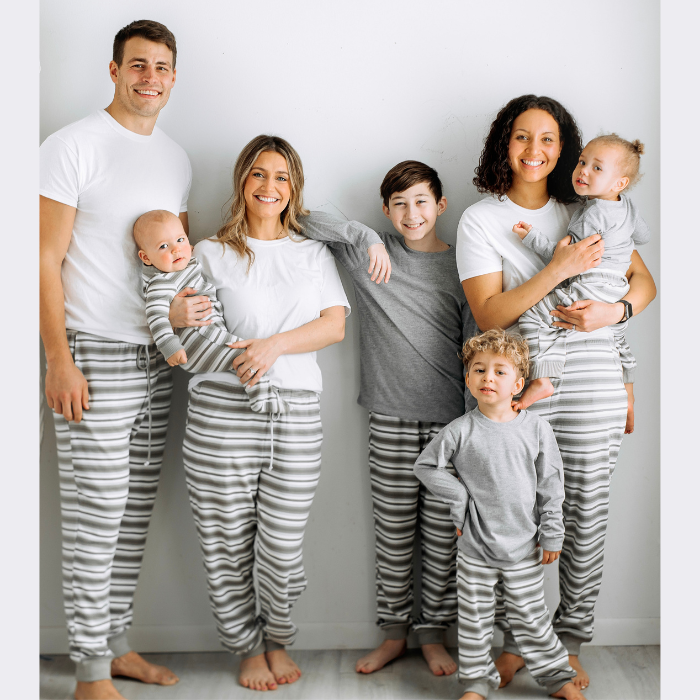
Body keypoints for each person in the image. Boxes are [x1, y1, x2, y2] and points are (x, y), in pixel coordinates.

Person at [169, 134, 389, 692]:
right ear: (243, 180)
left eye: (282, 178)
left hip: (294, 414)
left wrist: (271, 347)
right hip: (221, 413)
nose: (270, 187)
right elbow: (190, 335)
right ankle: (246, 646)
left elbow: (333, 326)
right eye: (259, 174)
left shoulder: (312, 252)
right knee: (225, 540)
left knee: (281, 544)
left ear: (294, 190)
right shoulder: (207, 253)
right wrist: (239, 352)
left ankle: (278, 637)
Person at [456, 95, 657, 691]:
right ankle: (519, 640)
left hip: (594, 376)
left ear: (566, 147)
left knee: (585, 513)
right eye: (522, 137)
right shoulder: (480, 219)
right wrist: (557, 272)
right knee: (515, 515)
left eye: (548, 139)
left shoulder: (590, 205)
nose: (535, 151)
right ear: (504, 144)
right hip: (519, 385)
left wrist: (613, 313)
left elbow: (643, 283)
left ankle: (567, 640)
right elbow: (489, 313)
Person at [40, 20, 187, 700]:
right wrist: (57, 358)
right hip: (92, 356)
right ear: (113, 70)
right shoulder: (71, 146)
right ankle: (89, 675)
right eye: (137, 64)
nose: (149, 77)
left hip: (155, 357)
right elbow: (42, 258)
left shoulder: (176, 160)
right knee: (94, 515)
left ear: (173, 77)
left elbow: (164, 262)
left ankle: (117, 647)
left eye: (161, 67)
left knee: (130, 513)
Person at [302, 160, 478, 676]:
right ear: (386, 210)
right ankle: (394, 634)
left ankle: (433, 635)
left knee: (444, 539)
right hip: (391, 420)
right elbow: (300, 218)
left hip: (451, 424)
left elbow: (473, 342)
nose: (411, 212)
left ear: (441, 205)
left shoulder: (461, 265)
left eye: (421, 201)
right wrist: (364, 235)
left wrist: (473, 427)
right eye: (399, 203)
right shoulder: (369, 254)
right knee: (395, 536)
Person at [414, 329, 584, 700]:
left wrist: (552, 533)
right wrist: (460, 500)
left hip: (524, 544)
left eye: (499, 371)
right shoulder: (459, 431)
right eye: (479, 370)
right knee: (474, 624)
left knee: (532, 619)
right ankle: (476, 685)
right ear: (468, 379)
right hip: (475, 547)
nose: (487, 377)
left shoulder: (537, 429)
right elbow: (426, 467)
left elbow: (551, 485)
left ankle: (558, 680)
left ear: (519, 383)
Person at [512, 134, 649, 435]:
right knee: (619, 339)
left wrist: (531, 237)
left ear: (619, 183)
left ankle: (542, 377)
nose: (583, 170)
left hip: (590, 284)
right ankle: (628, 392)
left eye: (596, 168)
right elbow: (644, 235)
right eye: (582, 161)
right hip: (617, 287)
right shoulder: (627, 207)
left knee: (534, 315)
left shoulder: (591, 215)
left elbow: (564, 259)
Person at [135, 209, 273, 401]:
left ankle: (258, 393)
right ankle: (264, 398)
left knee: (245, 360)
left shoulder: (185, 266)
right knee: (249, 357)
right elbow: (156, 316)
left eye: (180, 240)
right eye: (163, 246)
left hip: (205, 336)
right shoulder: (162, 282)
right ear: (146, 258)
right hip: (197, 339)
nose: (175, 249)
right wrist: (169, 346)